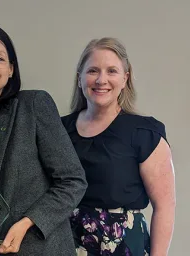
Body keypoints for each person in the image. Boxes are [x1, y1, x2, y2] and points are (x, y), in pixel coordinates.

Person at [0, 23, 87, 256]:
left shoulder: (33, 107)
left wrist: (26, 222)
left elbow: (73, 182)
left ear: (11, 69)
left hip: (37, 249)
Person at [61, 37, 176, 255]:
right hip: (64, 244)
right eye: (93, 71)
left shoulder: (145, 133)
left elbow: (165, 207)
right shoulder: (57, 130)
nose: (101, 80)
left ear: (125, 79)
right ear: (79, 79)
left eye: (111, 71)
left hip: (123, 247)